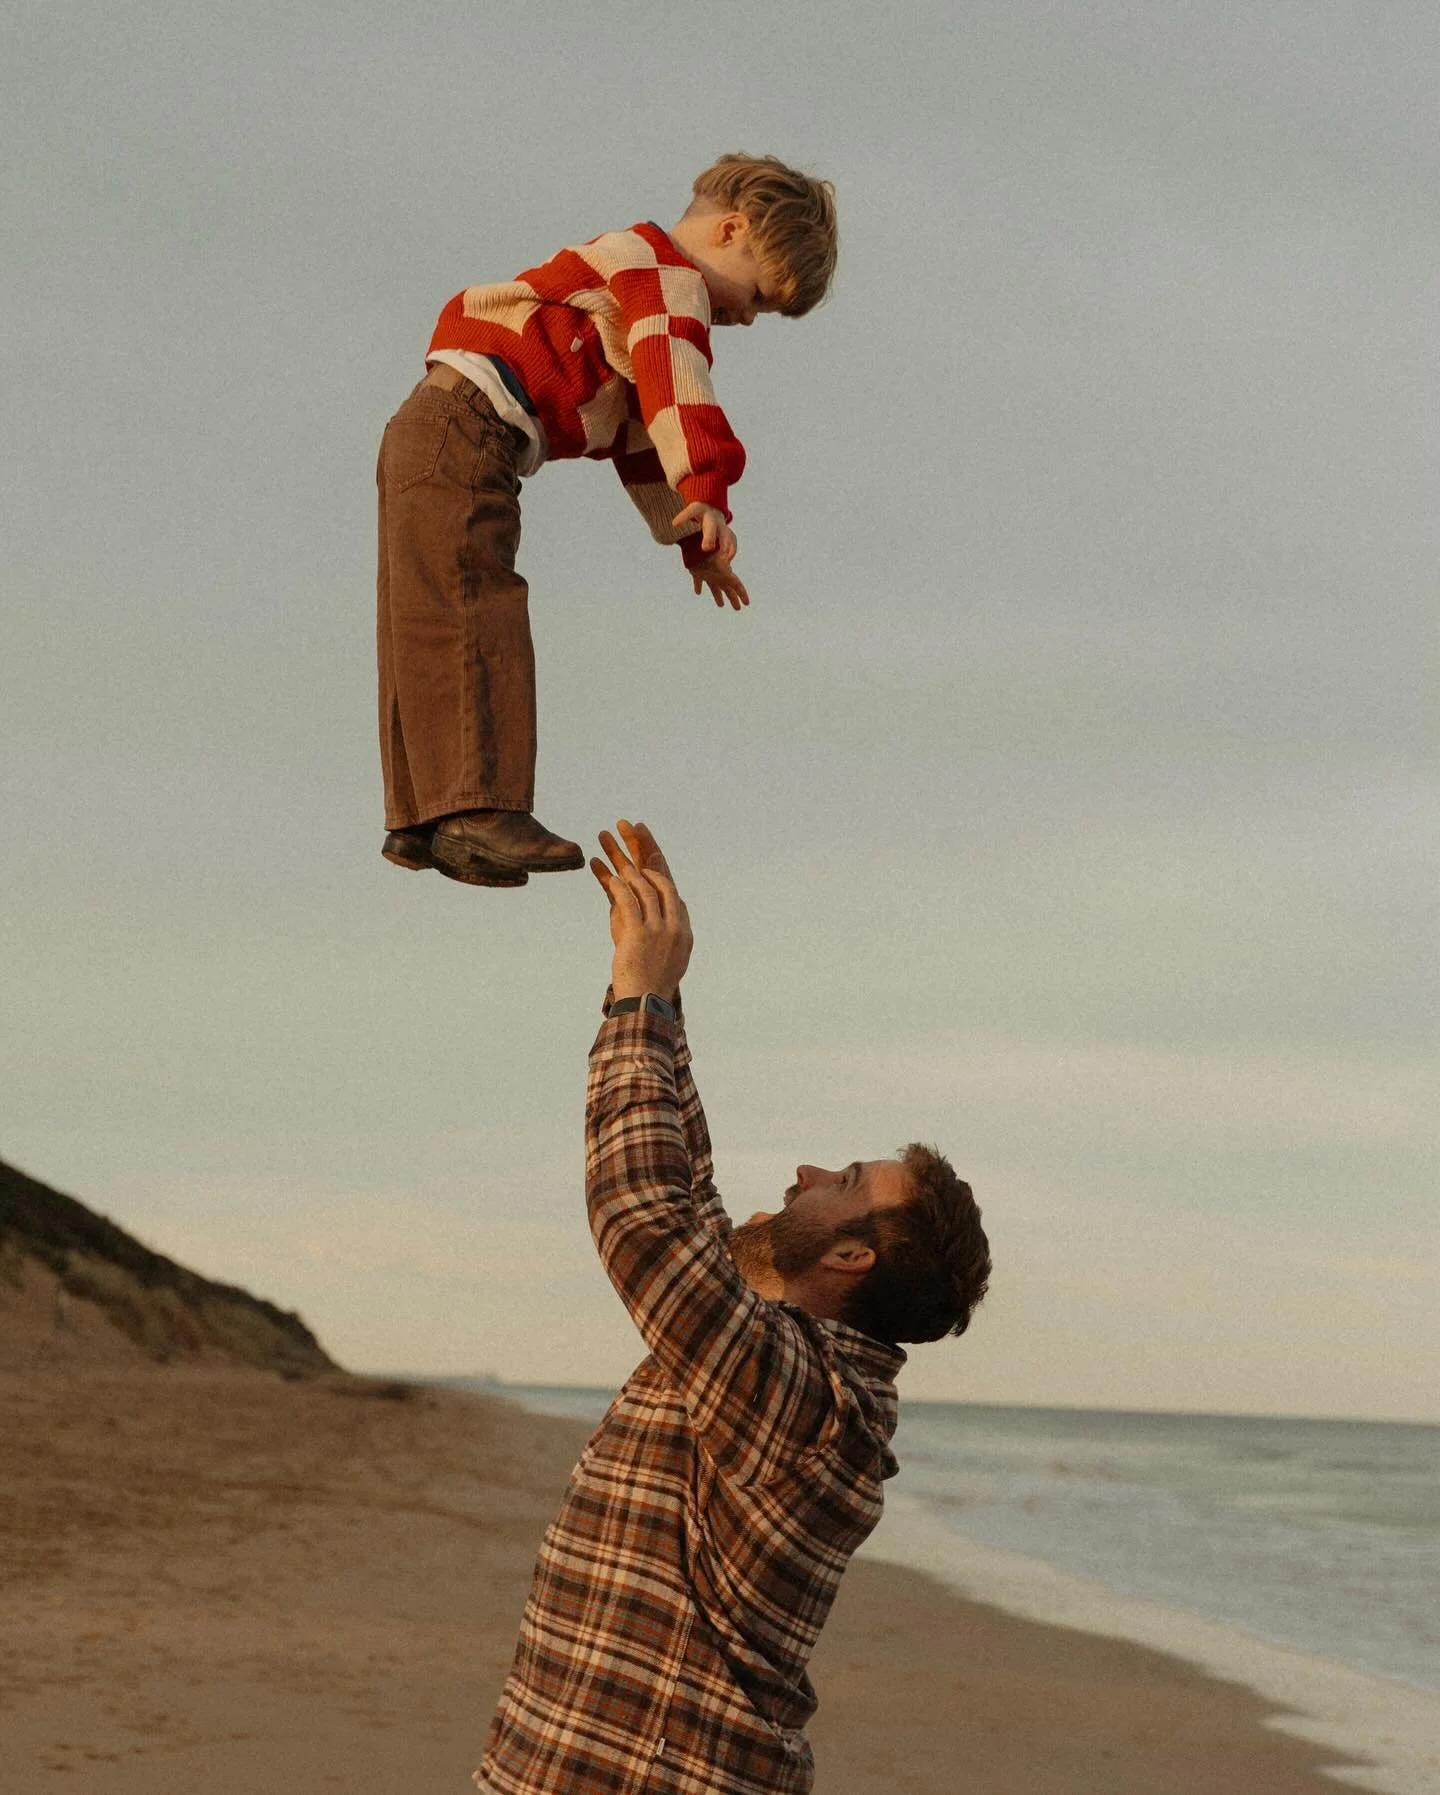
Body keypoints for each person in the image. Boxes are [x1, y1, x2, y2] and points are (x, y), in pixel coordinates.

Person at [475, 821, 992, 1795]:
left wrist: (640, 994)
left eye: (838, 1179)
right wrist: (658, 993)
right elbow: (691, 1207)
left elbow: (646, 1215)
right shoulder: (775, 1363)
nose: (802, 1171)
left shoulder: (808, 1399)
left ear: (850, 1253)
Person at [376, 156, 838, 890]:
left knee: (429, 613)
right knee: (476, 607)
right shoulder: (663, 279)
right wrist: (711, 490)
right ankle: (480, 808)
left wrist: (691, 534)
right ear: (731, 230)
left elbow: (643, 438)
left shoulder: (627, 285)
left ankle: (426, 819)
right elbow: (676, 388)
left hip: (429, 427)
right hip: (469, 430)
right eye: (754, 297)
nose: (746, 318)